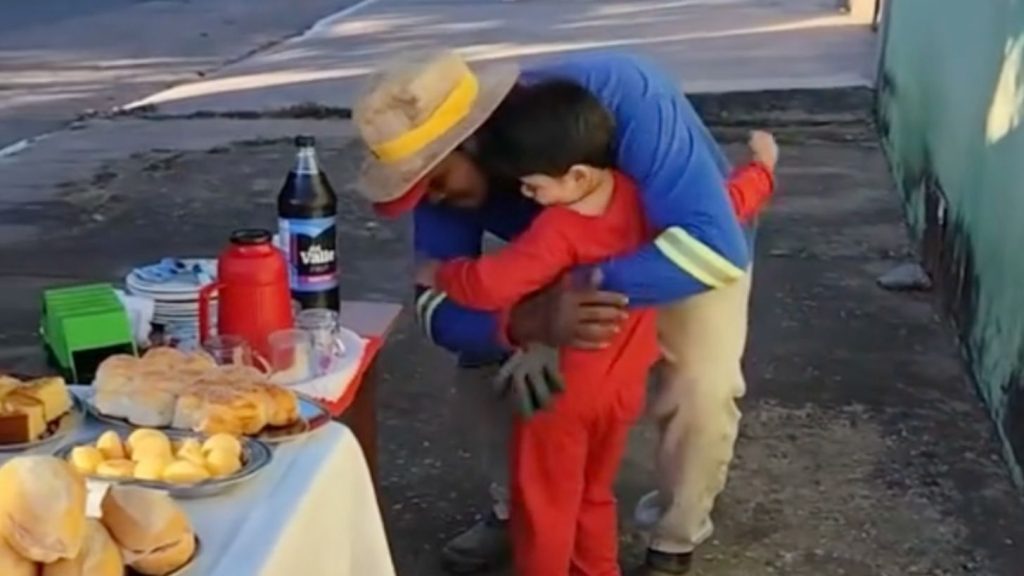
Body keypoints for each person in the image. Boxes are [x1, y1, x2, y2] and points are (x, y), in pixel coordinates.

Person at [352, 50, 777, 575]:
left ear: (475, 141)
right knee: (486, 364)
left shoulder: (625, 99)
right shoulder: (455, 190)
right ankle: (514, 508)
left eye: (435, 181)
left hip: (685, 246)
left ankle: (673, 537)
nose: (432, 201)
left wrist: (579, 292)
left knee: (701, 387)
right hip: (561, 267)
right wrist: (525, 323)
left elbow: (714, 248)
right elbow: (438, 308)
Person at [417, 80, 660, 576]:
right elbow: (719, 208)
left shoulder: (558, 226)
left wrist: (439, 274)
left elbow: (489, 283)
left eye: (532, 185)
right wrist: (760, 174)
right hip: (623, 384)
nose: (528, 194)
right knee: (593, 494)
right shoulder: (639, 198)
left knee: (545, 505)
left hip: (562, 392)